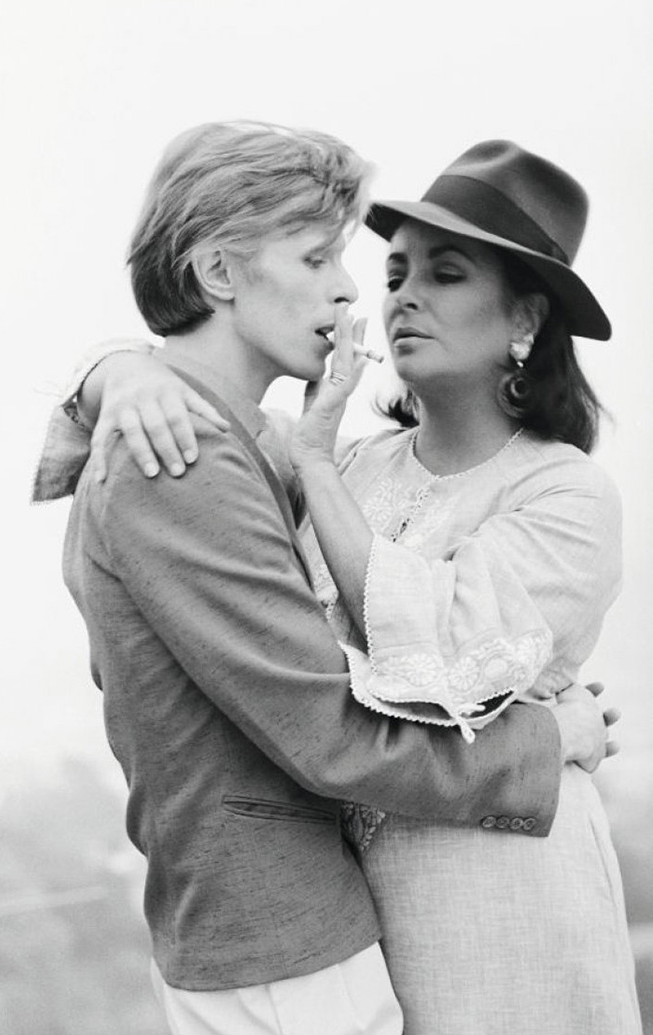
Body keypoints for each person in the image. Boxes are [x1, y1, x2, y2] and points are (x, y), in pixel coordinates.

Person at [34, 124, 618, 1035]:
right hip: (325, 924)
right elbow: (328, 726)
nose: (377, 295)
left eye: (446, 274)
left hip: (500, 890)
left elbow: (438, 656)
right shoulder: (308, 463)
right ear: (225, 274)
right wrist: (117, 373)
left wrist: (132, 375)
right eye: (383, 272)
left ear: (526, 321)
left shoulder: (559, 490)